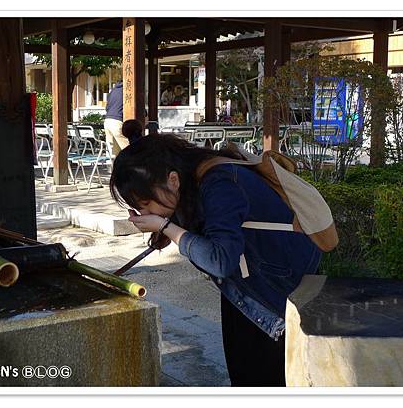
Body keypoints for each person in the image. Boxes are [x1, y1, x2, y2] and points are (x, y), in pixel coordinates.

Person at [109, 130, 322, 387]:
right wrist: (167, 224)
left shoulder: (220, 182)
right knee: (245, 377)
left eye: (145, 202)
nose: (144, 212)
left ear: (173, 180)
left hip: (274, 294)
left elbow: (220, 261)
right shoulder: (198, 178)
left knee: (262, 381)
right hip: (247, 286)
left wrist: (166, 226)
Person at [104, 81, 129, 157]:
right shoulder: (127, 90)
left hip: (107, 121)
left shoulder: (113, 91)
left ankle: (114, 168)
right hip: (117, 121)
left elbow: (107, 107)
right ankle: (133, 167)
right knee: (128, 148)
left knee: (113, 152)